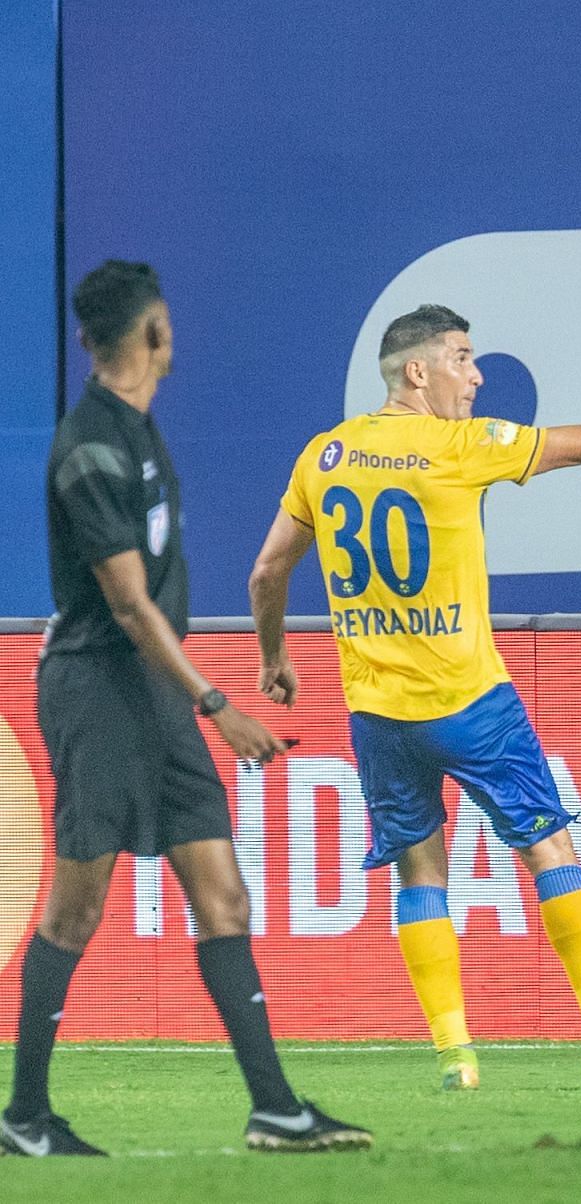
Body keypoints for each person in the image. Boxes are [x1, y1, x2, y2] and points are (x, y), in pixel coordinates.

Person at [248, 304, 581, 1091]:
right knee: (548, 850)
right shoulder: (459, 446)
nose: (476, 377)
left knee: (420, 875)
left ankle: (455, 1054)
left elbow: (267, 572)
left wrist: (274, 657)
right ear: (418, 371)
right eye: (464, 359)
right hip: (471, 701)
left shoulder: (323, 456)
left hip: (378, 713)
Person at [4, 261, 370, 1156]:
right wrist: (218, 704)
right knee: (76, 908)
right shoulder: (90, 445)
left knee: (224, 896)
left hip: (154, 696)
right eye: (169, 324)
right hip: (100, 693)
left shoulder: (135, 431)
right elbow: (128, 606)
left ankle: (275, 1109)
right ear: (153, 333)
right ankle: (24, 1118)